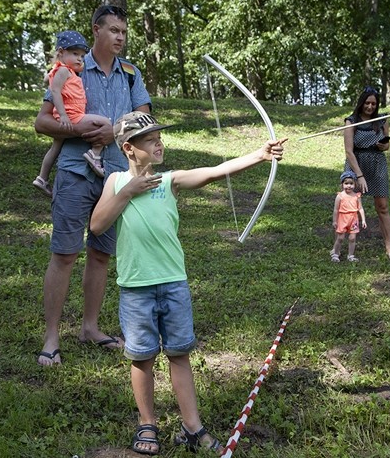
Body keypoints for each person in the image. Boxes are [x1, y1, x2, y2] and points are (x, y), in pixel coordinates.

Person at [90, 111, 287, 456]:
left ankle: (192, 427)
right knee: (142, 359)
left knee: (179, 354)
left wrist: (260, 154)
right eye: (150, 140)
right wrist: (129, 192)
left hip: (173, 285)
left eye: (159, 138)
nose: (158, 144)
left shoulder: (170, 181)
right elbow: (97, 225)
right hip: (136, 288)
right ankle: (146, 423)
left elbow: (212, 173)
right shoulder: (116, 182)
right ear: (129, 148)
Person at [34, 5, 151, 366]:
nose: (119, 37)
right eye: (113, 30)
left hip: (116, 175)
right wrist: (81, 129)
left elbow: (145, 122)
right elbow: (42, 122)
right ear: (96, 30)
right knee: (65, 253)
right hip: (74, 172)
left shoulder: (130, 74)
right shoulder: (71, 69)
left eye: (124, 32)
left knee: (101, 254)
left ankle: (90, 327)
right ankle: (52, 337)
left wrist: (112, 131)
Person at [33, 30, 111, 197]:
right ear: (61, 53)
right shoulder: (64, 71)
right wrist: (63, 115)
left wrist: (52, 74)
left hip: (69, 114)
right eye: (75, 54)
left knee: (55, 148)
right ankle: (94, 154)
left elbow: (48, 80)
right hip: (72, 115)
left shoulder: (59, 70)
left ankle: (42, 178)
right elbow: (54, 90)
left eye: (82, 56)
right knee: (105, 123)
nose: (79, 59)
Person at [343, 86, 390, 260]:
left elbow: (387, 144)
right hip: (356, 164)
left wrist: (385, 146)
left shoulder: (383, 119)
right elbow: (348, 151)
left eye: (373, 103)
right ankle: (342, 248)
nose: (370, 107)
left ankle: (389, 249)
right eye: (367, 103)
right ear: (361, 103)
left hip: (377, 163)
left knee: (382, 206)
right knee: (350, 208)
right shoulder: (351, 121)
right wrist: (359, 175)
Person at [330, 170, 367, 262]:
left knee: (352, 237)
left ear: (355, 184)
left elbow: (360, 208)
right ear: (342, 184)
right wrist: (335, 221)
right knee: (340, 237)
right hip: (342, 218)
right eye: (346, 183)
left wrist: (363, 220)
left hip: (353, 218)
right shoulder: (340, 196)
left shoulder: (356, 196)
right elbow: (336, 210)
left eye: (351, 183)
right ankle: (335, 253)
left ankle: (351, 255)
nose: (349, 186)